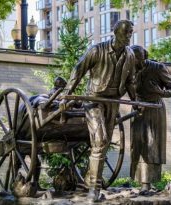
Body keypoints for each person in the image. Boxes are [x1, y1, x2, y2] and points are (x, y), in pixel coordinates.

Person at [60, 20, 136, 202]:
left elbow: (130, 81)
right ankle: (94, 187)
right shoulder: (97, 50)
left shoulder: (130, 55)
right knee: (100, 141)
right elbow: (79, 69)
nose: (128, 36)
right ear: (115, 32)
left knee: (105, 141)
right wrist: (66, 93)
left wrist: (136, 101)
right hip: (93, 100)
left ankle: (88, 181)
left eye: (131, 33)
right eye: (126, 32)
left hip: (112, 102)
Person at [130, 45, 171, 194]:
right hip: (137, 109)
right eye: (135, 60)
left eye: (140, 60)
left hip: (154, 109)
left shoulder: (157, 67)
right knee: (137, 145)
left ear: (145, 57)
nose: (138, 64)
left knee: (151, 146)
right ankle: (140, 182)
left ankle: (147, 183)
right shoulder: (129, 68)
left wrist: (160, 92)